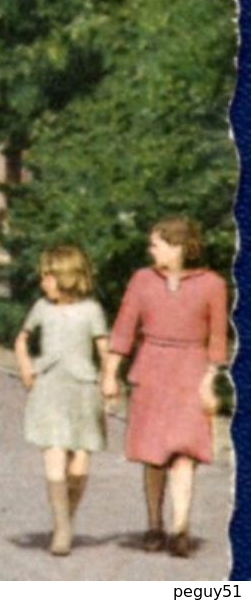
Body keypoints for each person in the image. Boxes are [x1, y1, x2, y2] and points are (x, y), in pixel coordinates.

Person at [102, 216, 227, 559]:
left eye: (156, 243)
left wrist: (210, 384)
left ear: (179, 246)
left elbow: (217, 338)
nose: (150, 249)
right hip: (152, 371)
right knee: (154, 456)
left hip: (191, 372)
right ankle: (155, 524)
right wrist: (110, 374)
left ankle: (181, 529)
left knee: (185, 453)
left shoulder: (212, 285)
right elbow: (124, 329)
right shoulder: (142, 280)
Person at [13, 245, 110, 557]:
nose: (43, 282)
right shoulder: (42, 308)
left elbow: (104, 349)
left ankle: (67, 516)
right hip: (49, 388)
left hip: (83, 390)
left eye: (48, 276)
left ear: (67, 277)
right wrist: (26, 366)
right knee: (54, 456)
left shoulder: (91, 310)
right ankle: (62, 528)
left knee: (79, 465)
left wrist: (109, 379)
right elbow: (22, 339)